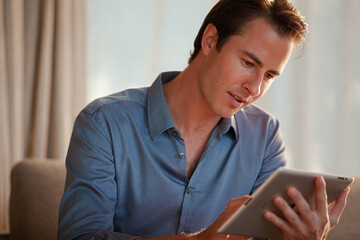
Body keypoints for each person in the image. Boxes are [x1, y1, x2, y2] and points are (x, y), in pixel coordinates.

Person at [58, 0, 350, 239]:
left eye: (270, 76)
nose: (256, 88)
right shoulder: (103, 123)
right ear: (210, 40)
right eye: (248, 63)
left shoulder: (265, 136)